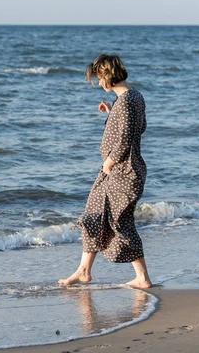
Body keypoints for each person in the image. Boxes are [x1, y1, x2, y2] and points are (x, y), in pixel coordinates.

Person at [59, 54, 152, 289]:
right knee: (93, 215)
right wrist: (112, 113)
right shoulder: (132, 97)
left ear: (109, 76)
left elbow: (127, 138)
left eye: (100, 78)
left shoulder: (129, 101)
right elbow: (138, 126)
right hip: (118, 171)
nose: (99, 83)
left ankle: (142, 278)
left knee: (121, 222)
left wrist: (110, 162)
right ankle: (84, 270)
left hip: (123, 171)